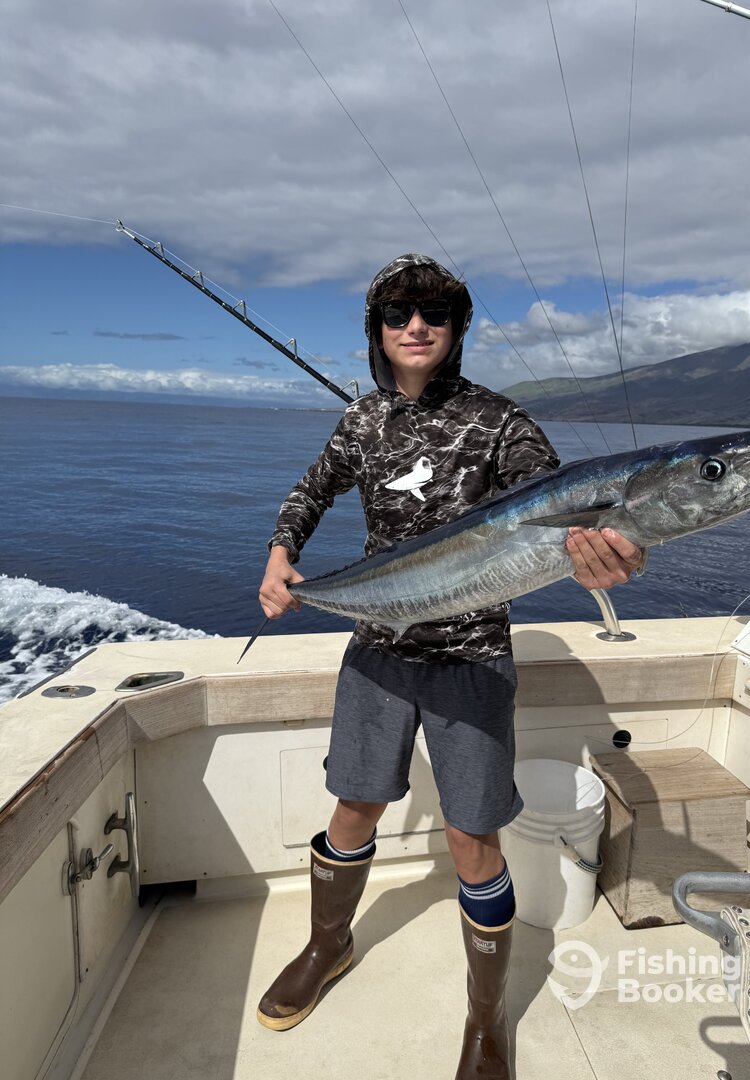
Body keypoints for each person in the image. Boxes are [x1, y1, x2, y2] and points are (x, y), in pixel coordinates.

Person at [255, 254, 644, 1079]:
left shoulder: (501, 423)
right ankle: (328, 945)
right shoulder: (362, 421)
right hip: (377, 652)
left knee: (472, 836)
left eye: (434, 312)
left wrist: (605, 553)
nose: (416, 325)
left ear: (458, 328)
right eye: (398, 312)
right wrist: (282, 554)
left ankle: (485, 1016)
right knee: (353, 808)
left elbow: (562, 510)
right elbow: (311, 491)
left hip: (470, 660)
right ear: (377, 330)